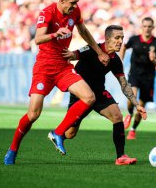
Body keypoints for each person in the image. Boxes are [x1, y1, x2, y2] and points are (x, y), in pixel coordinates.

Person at [4, 0, 110, 165]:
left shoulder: (75, 13)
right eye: (72, 2)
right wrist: (55, 34)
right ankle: (13, 149)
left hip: (63, 66)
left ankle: (58, 133)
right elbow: (38, 38)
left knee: (89, 97)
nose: (75, 6)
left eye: (77, 2)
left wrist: (99, 52)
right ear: (61, 0)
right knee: (33, 114)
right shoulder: (48, 12)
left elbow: (83, 31)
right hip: (44, 68)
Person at [62, 25, 147, 165]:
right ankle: (58, 134)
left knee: (117, 116)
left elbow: (124, 84)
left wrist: (137, 104)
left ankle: (121, 157)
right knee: (70, 134)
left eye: (122, 38)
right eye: (117, 38)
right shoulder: (91, 48)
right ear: (107, 39)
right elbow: (72, 55)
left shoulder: (115, 60)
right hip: (81, 95)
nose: (120, 41)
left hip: (99, 92)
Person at [120, 17, 156, 140]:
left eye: (149, 26)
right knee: (131, 97)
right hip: (134, 73)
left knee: (141, 106)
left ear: (153, 28)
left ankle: (133, 129)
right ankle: (129, 114)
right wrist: (120, 60)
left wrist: (154, 60)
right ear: (142, 27)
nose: (147, 29)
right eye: (145, 26)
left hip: (148, 77)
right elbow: (124, 47)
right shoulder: (134, 39)